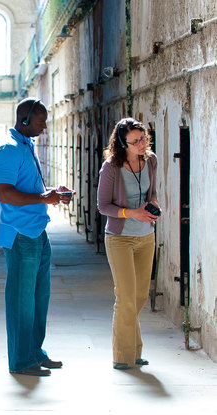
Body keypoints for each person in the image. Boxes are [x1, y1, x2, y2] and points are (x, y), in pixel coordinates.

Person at [0, 98, 74, 376]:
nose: (45, 127)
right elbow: (4, 192)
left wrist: (51, 194)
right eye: (41, 122)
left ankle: (35, 353)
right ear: (24, 120)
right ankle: (21, 360)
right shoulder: (8, 150)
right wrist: (43, 197)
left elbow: (28, 188)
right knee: (21, 300)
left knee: (40, 297)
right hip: (20, 234)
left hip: (37, 231)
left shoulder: (27, 146)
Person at [97, 117, 161, 370]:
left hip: (146, 235)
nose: (141, 144)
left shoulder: (151, 160)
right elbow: (104, 206)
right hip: (120, 238)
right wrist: (132, 213)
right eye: (135, 142)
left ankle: (133, 351)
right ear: (123, 143)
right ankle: (123, 355)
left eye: (143, 138)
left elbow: (152, 191)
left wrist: (154, 205)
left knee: (140, 295)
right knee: (125, 297)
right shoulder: (111, 167)